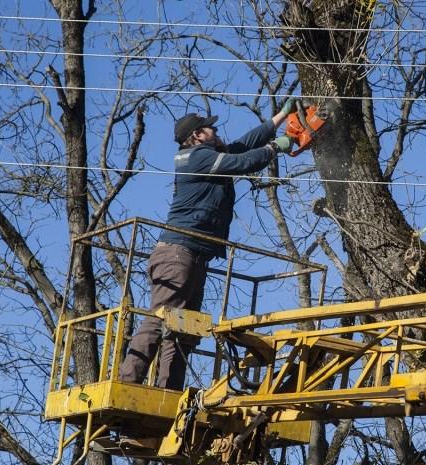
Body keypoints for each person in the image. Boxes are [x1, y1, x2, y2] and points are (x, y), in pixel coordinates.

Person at [118, 99, 297, 390]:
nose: (215, 130)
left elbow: (242, 145)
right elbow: (242, 161)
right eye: (209, 128)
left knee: (184, 326)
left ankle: (170, 391)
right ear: (198, 135)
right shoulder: (195, 157)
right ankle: (128, 382)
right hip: (177, 254)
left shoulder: (206, 155)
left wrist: (280, 118)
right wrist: (275, 148)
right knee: (162, 318)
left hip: (193, 256)